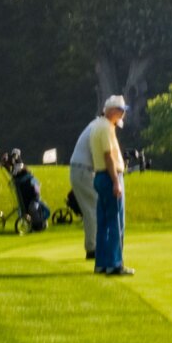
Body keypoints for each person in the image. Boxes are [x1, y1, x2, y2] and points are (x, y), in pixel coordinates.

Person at [89, 95, 134, 276]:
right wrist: (116, 181)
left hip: (100, 176)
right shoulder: (107, 127)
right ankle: (115, 264)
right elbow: (108, 157)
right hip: (109, 177)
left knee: (104, 222)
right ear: (113, 111)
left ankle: (102, 263)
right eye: (122, 111)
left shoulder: (97, 125)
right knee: (115, 222)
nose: (123, 114)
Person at [70, 109, 105, 260]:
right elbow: (98, 155)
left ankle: (93, 246)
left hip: (80, 170)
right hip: (83, 170)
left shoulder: (95, 125)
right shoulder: (100, 128)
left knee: (91, 209)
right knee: (94, 208)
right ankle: (93, 249)